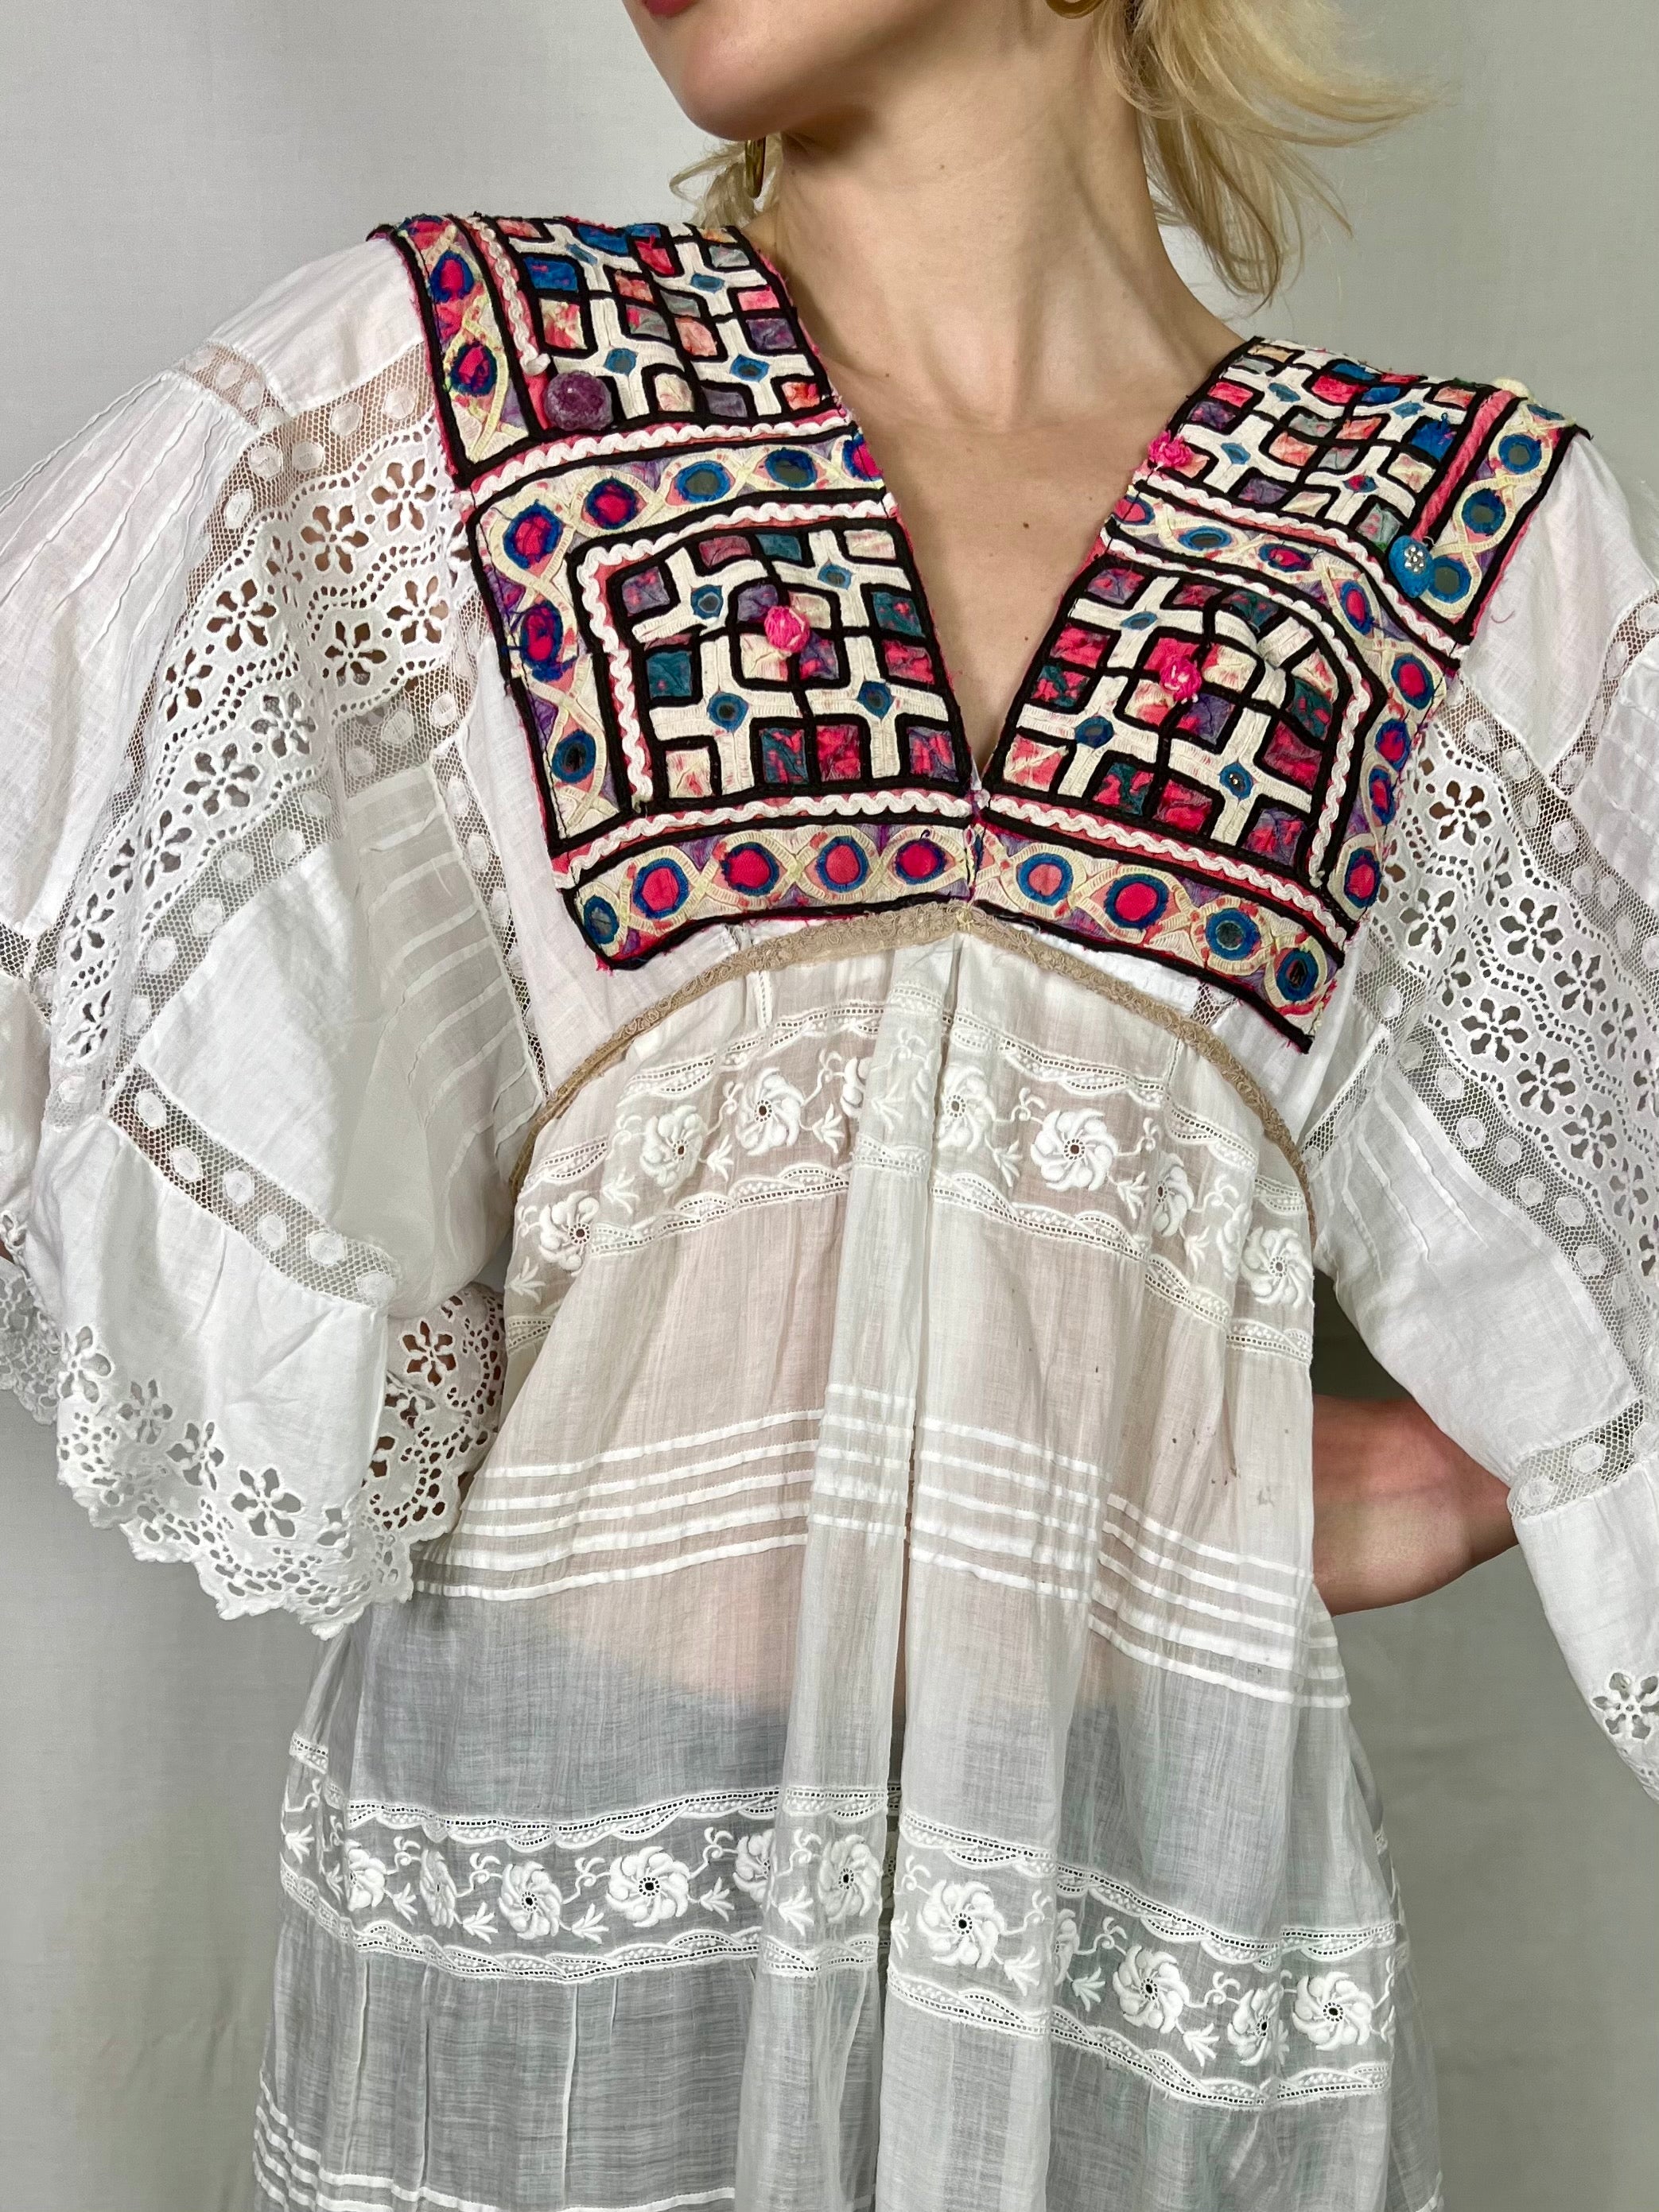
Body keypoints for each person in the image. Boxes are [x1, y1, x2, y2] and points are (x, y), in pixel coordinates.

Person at [0, 1, 1652, 2206]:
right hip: (558, 1945)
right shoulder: (451, 398)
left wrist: (1455, 1469)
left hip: (1114, 1959)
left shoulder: (1437, 541)